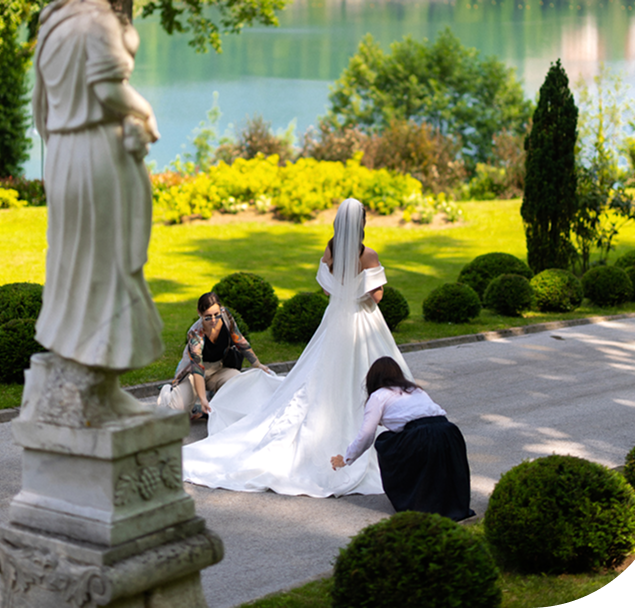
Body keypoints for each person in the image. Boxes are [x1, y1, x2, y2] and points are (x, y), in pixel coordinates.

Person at [182, 198, 412, 496]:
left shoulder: (331, 250)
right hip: (362, 320)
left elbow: (325, 287)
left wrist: (343, 290)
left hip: (335, 318)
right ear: (362, 224)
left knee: (321, 372)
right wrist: (359, 290)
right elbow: (377, 295)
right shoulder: (368, 255)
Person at [32, 0, 163, 373]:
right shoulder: (98, 21)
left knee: (72, 255)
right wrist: (146, 112)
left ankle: (72, 352)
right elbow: (108, 90)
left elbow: (40, 105)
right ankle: (97, 364)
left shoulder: (54, 23)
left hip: (63, 151)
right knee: (107, 256)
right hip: (95, 150)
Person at [331, 356, 475, 521]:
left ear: (372, 379)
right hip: (449, 432)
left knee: (385, 441)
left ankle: (414, 498)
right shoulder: (415, 390)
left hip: (421, 436)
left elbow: (366, 435)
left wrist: (346, 459)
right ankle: (452, 506)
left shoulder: (378, 396)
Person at [157, 292, 269, 419]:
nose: (214, 320)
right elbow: (197, 370)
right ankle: (167, 393)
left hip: (218, 370)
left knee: (238, 381)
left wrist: (257, 364)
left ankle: (210, 403)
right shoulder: (195, 333)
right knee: (176, 413)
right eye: (208, 317)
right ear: (199, 313)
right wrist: (202, 399)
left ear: (221, 309)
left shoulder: (226, 316)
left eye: (216, 314)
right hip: (193, 374)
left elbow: (239, 340)